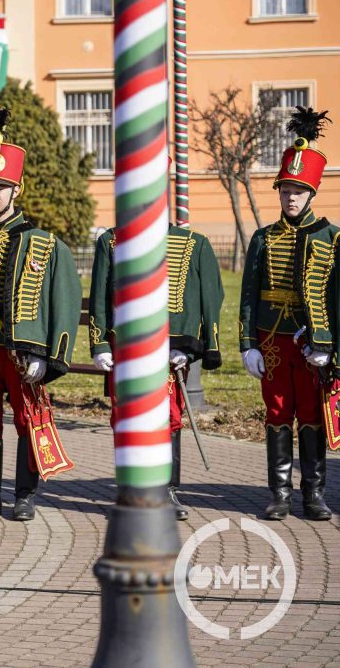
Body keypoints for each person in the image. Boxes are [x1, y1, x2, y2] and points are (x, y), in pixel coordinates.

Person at [0, 109, 82, 521]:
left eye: (1, 187)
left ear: (16, 189)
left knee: (26, 420)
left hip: (20, 350)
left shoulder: (42, 242)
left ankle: (24, 495)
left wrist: (48, 354)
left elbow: (61, 299)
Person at [89, 218, 224, 520]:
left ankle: (168, 491)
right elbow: (100, 296)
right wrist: (99, 344)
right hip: (125, 346)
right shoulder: (110, 241)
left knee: (169, 417)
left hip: (167, 351)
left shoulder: (193, 243)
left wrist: (189, 350)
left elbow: (207, 299)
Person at [240, 106, 336, 521]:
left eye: (297, 191)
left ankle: (313, 493)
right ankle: (279, 493)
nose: (290, 197)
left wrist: (330, 347)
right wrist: (247, 344)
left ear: (311, 193)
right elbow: (247, 294)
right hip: (272, 340)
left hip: (313, 343)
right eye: (284, 191)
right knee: (277, 414)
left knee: (312, 416)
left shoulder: (331, 237)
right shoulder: (262, 239)